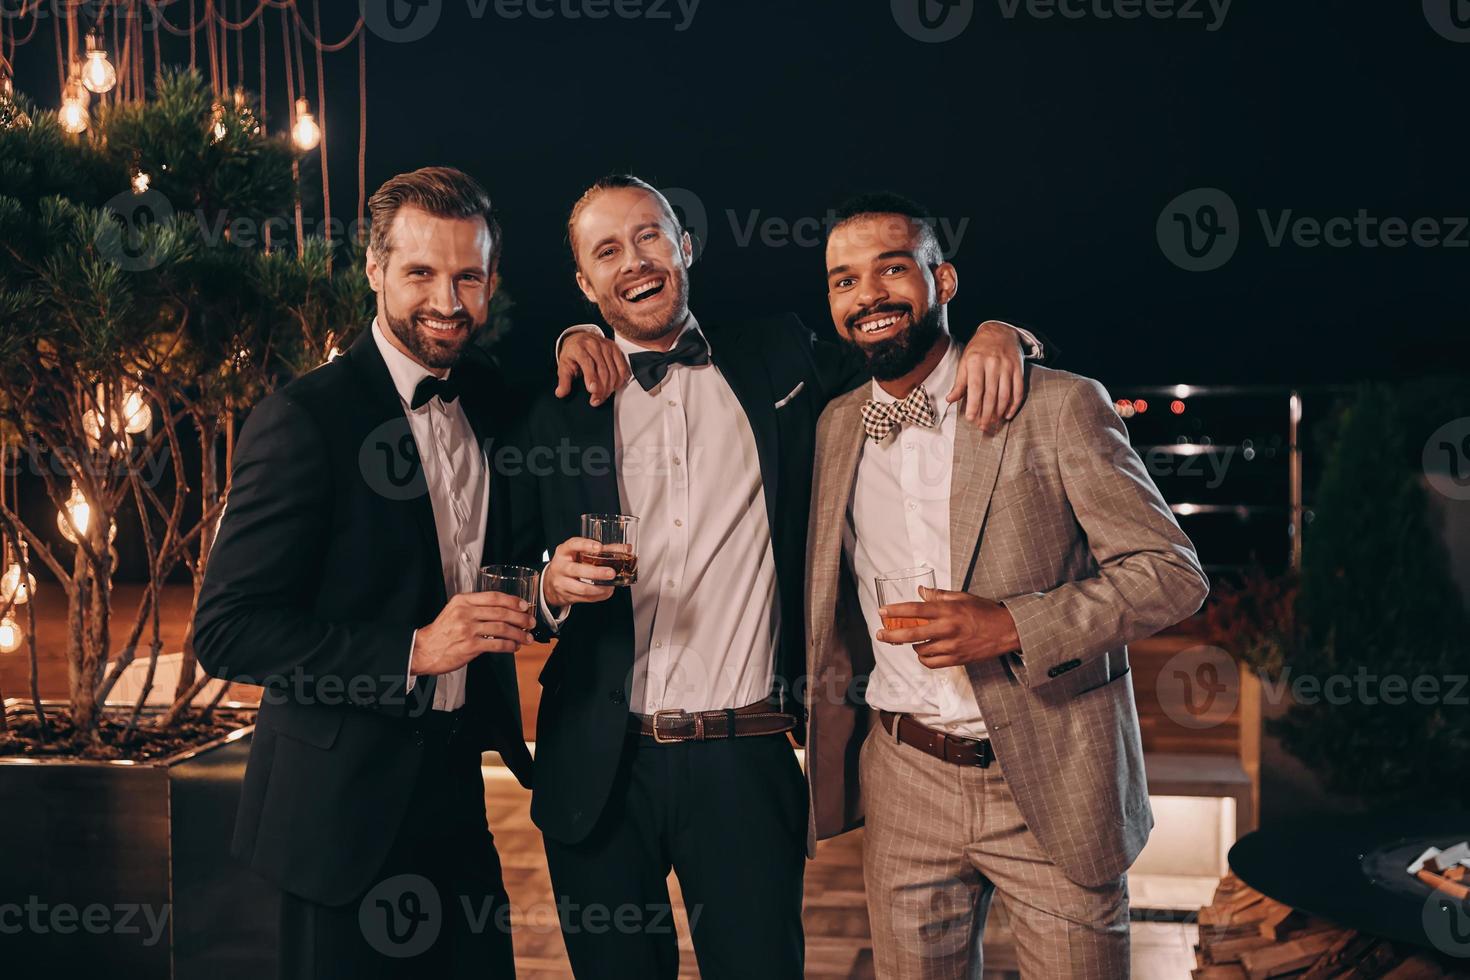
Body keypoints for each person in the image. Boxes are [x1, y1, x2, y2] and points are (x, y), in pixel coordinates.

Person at [496, 174, 1041, 979]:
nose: (634, 261)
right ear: (585, 283)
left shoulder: (784, 361)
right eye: (606, 251)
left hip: (744, 760)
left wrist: (1007, 332)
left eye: (650, 236)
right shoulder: (553, 407)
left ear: (685, 245)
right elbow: (499, 578)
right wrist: (545, 589)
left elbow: (905, 357)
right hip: (599, 768)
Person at [194, 167, 603, 978]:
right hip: (336, 816)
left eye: (468, 277)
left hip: (457, 789)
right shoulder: (304, 420)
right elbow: (227, 631)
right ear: (375, 270)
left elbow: (503, 563)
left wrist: (545, 594)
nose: (447, 302)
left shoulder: (489, 401)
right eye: (420, 272)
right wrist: (411, 649)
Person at [805, 193, 1210, 978]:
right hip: (903, 776)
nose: (868, 297)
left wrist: (1016, 626)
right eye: (843, 281)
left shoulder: (1056, 405)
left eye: (893, 270)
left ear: (943, 281)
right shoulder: (834, 425)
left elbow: (1173, 575)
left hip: (1054, 772)